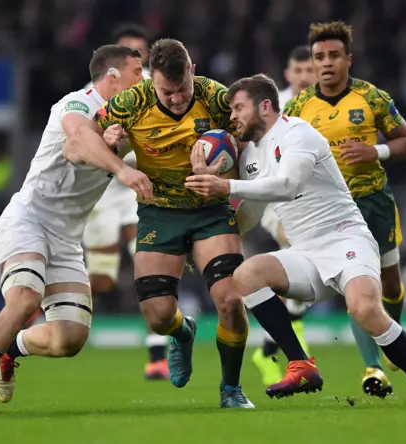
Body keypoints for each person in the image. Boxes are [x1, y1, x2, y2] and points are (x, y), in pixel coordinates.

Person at [184, 73, 406, 407]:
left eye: (239, 107)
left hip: (346, 241)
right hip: (306, 255)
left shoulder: (297, 132)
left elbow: (288, 186)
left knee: (365, 309)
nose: (233, 116)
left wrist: (226, 187)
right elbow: (251, 213)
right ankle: (300, 364)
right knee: (246, 275)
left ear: (265, 106)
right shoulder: (251, 157)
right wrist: (208, 242)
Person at [97, 38, 303, 408]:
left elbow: (254, 134)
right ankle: (183, 330)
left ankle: (231, 389)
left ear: (193, 72)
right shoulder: (130, 103)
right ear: (152, 80)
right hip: (159, 209)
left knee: (231, 298)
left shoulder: (217, 98)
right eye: (167, 91)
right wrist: (109, 136)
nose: (176, 98)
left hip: (211, 210)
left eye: (183, 89)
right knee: (159, 317)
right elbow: (88, 135)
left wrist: (234, 162)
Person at [0, 45, 150, 414]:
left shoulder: (132, 119)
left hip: (67, 239)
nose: (144, 79)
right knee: (25, 299)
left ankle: (10, 347)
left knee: (70, 338)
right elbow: (77, 141)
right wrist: (122, 169)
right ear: (113, 77)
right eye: (138, 72)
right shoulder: (76, 103)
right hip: (29, 221)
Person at [283, 21, 406, 397]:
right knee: (356, 287)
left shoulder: (372, 98)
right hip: (330, 213)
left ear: (348, 59)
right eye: (319, 57)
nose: (326, 63)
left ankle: (392, 330)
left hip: (373, 201)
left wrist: (376, 151)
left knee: (389, 283)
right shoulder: (298, 107)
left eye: (333, 56)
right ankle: (373, 367)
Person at [83, 24, 169, 380]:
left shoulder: (156, 89)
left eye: (139, 51)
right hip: (103, 194)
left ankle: (157, 355)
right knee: (101, 282)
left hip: (138, 188)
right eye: (127, 49)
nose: (136, 56)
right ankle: (41, 304)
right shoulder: (95, 94)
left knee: (146, 267)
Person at [252, 44, 317, 386]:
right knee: (298, 249)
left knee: (304, 268)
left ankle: (269, 347)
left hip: (312, 200)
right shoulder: (275, 106)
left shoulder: (324, 108)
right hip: (275, 198)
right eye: (299, 70)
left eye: (311, 70)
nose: (305, 76)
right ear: (288, 74)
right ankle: (294, 352)